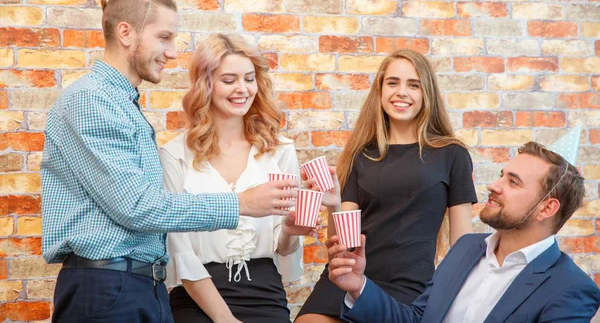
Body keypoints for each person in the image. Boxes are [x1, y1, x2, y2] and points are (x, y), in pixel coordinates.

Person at [41, 0, 296, 323]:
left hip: (143, 287)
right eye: (164, 37)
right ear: (126, 33)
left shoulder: (124, 105)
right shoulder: (92, 100)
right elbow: (138, 207)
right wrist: (238, 203)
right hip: (108, 287)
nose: (173, 52)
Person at [328, 139, 600, 322]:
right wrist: (359, 286)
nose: (494, 185)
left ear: (546, 209)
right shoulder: (466, 248)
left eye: (513, 182)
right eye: (502, 174)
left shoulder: (572, 289)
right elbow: (417, 318)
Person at [296, 49, 478, 323]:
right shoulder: (362, 154)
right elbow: (344, 242)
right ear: (380, 90)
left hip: (408, 289)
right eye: (393, 82)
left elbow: (461, 246)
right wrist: (333, 205)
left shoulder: (452, 154)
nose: (401, 92)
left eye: (413, 85)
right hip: (346, 276)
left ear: (426, 93)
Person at [160, 34, 325, 323]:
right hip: (197, 300)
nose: (242, 89)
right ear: (205, 84)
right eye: (229, 80)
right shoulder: (174, 155)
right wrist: (224, 319)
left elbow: (283, 248)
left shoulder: (279, 151)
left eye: (249, 79)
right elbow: (180, 251)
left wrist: (289, 230)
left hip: (266, 296)